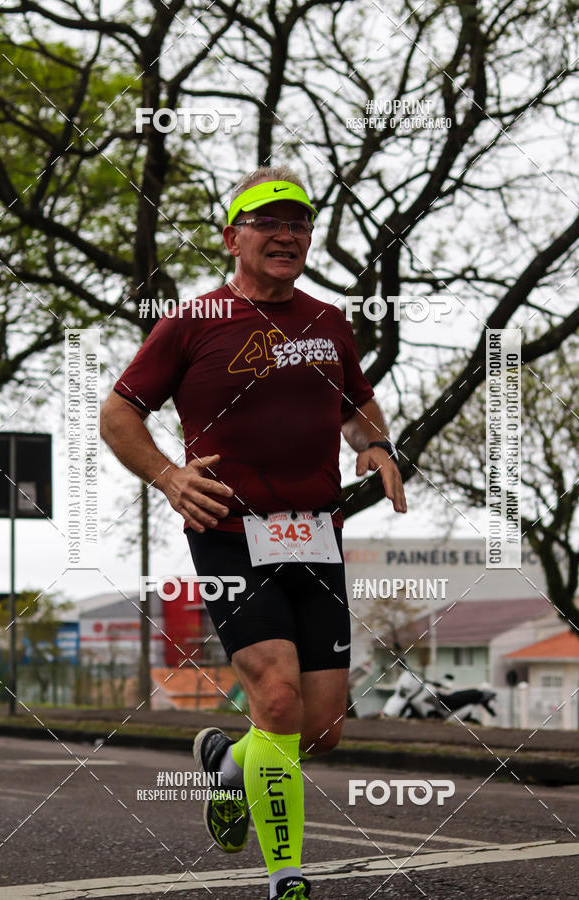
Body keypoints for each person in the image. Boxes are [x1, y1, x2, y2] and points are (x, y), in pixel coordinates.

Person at [100, 164, 407, 900]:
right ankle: (287, 878)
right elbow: (118, 413)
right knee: (275, 701)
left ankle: (231, 766)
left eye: (299, 222)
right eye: (269, 222)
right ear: (232, 236)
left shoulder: (330, 321)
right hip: (230, 529)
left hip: (315, 535)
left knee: (322, 726)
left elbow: (357, 404)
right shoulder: (191, 322)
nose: (287, 233)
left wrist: (374, 444)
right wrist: (171, 477)